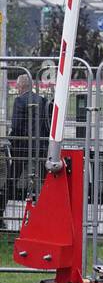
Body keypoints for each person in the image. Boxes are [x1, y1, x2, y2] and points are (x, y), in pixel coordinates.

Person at [8, 75, 49, 211]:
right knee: (44, 181)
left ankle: (1, 210)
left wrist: (11, 139)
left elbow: (17, 125)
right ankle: (45, 209)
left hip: (22, 147)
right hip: (40, 146)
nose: (16, 88)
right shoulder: (42, 100)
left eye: (17, 85)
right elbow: (45, 125)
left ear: (22, 86)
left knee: (12, 178)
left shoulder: (19, 101)